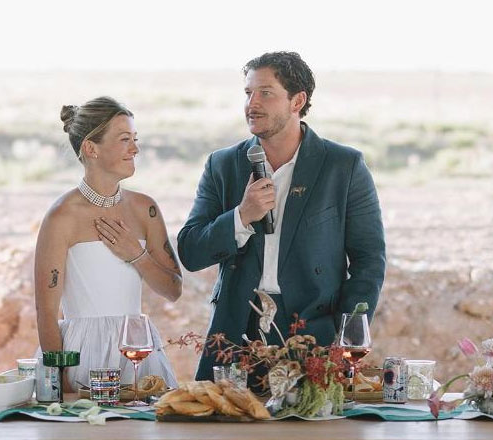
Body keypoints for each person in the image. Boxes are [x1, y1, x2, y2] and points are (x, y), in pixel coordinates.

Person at [177, 51, 385, 380]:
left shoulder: (342, 167)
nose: (252, 104)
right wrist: (242, 216)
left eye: (266, 93)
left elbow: (368, 261)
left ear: (297, 100)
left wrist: (347, 340)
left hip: (313, 337)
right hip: (235, 334)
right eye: (248, 93)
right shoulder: (222, 165)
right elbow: (190, 251)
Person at [34, 97, 182, 389]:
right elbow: (46, 312)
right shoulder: (61, 217)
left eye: (135, 139)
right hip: (81, 356)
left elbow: (173, 290)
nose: (135, 148)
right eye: (125, 139)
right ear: (91, 148)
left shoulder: (146, 209)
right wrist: (62, 383)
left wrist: (136, 255)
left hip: (138, 351)